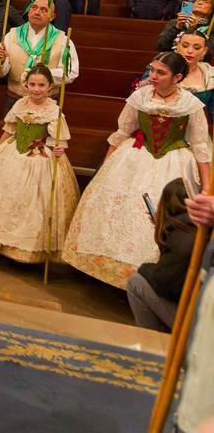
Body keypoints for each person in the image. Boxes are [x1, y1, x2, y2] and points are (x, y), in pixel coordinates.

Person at [62, 52, 211, 288]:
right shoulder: (140, 97)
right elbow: (121, 133)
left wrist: (207, 186)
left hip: (173, 163)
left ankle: (141, 278)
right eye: (151, 70)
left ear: (177, 77)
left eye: (160, 72)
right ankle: (104, 267)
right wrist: (106, 166)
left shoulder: (191, 105)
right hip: (134, 156)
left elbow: (201, 146)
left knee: (156, 214)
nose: (152, 76)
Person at [0, 65, 78, 263]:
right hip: (13, 151)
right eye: (32, 84)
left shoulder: (53, 111)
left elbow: (58, 140)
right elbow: (9, 130)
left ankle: (23, 247)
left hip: (39, 156)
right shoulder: (20, 105)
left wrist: (58, 148)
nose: (36, 89)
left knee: (32, 199)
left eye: (41, 85)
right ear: (26, 85)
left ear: (50, 87)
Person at [126, 179, 196, 332]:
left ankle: (149, 344)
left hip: (195, 323)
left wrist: (144, 269)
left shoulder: (181, 238)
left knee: (135, 281)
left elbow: (166, 286)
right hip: (199, 309)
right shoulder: (194, 227)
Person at [0, 0, 80, 115]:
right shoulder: (12, 35)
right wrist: (1, 60)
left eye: (43, 10)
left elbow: (70, 72)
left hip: (47, 102)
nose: (37, 12)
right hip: (15, 99)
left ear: (52, 17)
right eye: (34, 8)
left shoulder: (62, 40)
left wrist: (41, 76)